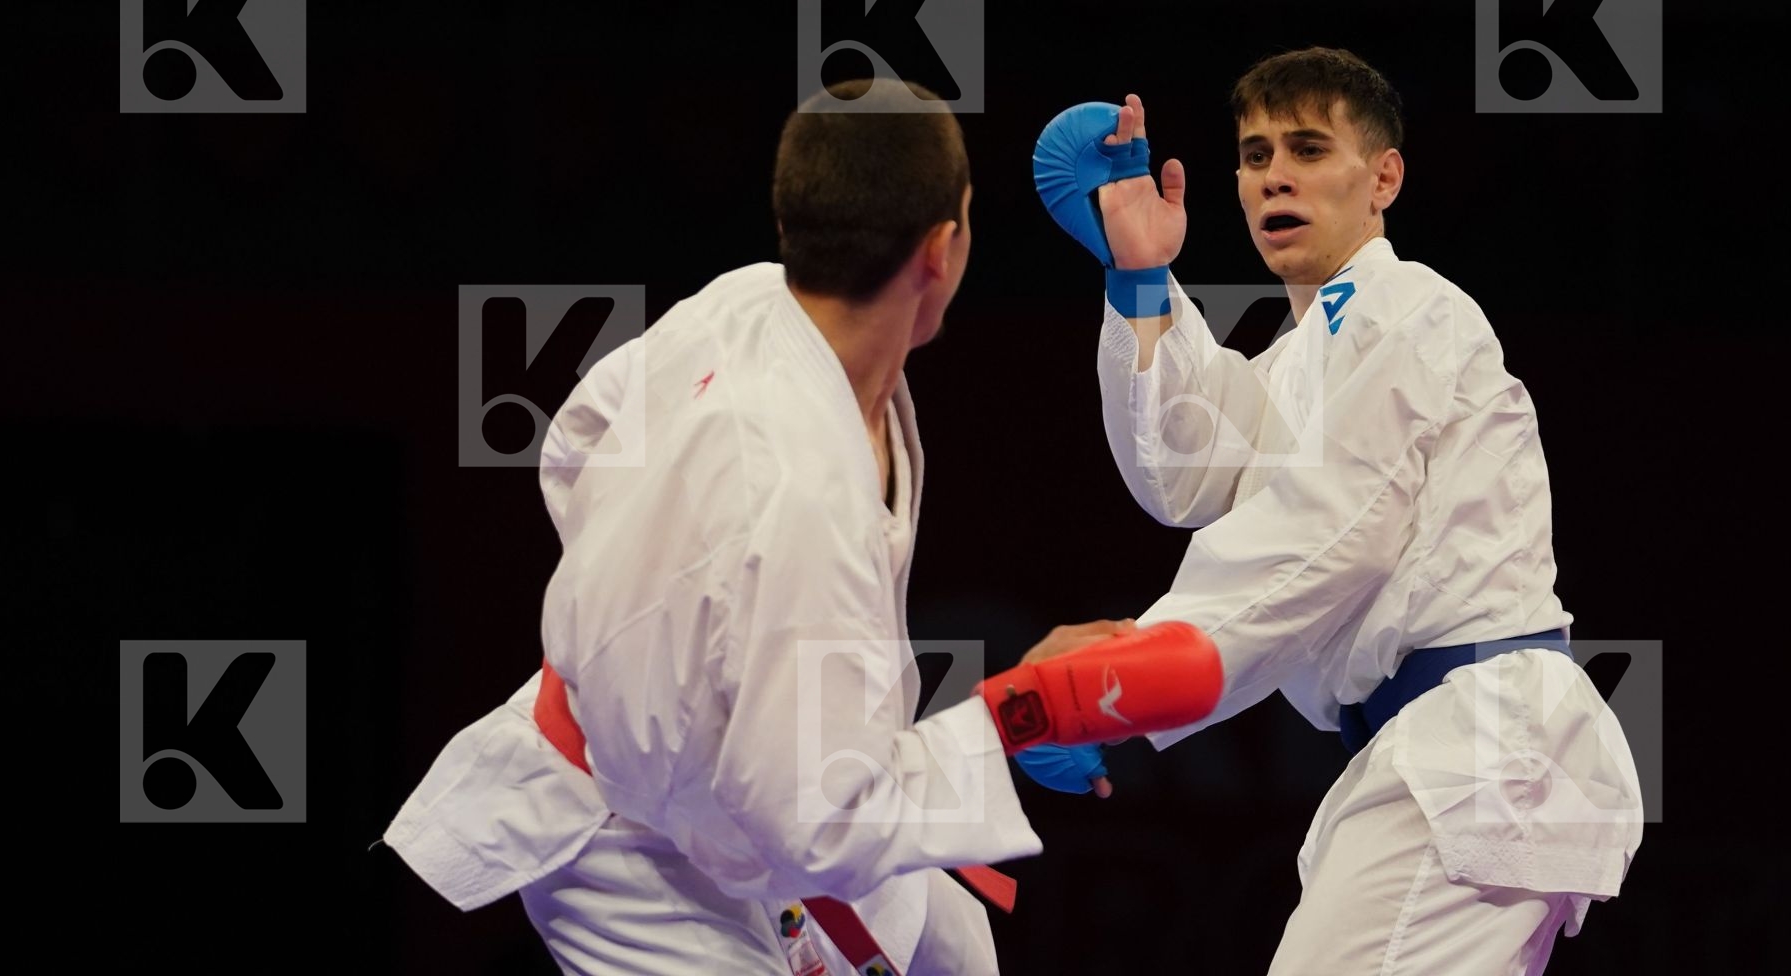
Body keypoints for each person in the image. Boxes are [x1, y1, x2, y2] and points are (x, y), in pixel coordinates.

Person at [383, 78, 1224, 976]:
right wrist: (1022, 710)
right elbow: (812, 828)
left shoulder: (744, 302)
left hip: (742, 773)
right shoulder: (801, 494)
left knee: (958, 950)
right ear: (942, 249)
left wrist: (671, 614)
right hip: (635, 847)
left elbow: (576, 445)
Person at [1026, 48, 1644, 973]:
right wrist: (1139, 276)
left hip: (1478, 747)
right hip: (1446, 759)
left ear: (1382, 176)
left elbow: (1329, 538)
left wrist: (1128, 682)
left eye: (1309, 149)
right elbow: (1181, 472)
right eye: (1255, 153)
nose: (1275, 173)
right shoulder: (1302, 354)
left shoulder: (1415, 314)